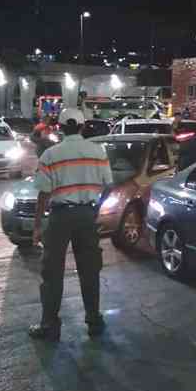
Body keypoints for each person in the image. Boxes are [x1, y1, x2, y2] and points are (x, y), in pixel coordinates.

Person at [28, 108, 113, 341]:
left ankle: (50, 326)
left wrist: (37, 226)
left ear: (61, 128)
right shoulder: (98, 152)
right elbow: (108, 185)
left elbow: (44, 194)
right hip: (87, 215)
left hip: (59, 217)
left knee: (52, 272)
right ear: (83, 126)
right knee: (90, 269)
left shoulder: (50, 155)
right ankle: (94, 320)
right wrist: (95, 207)